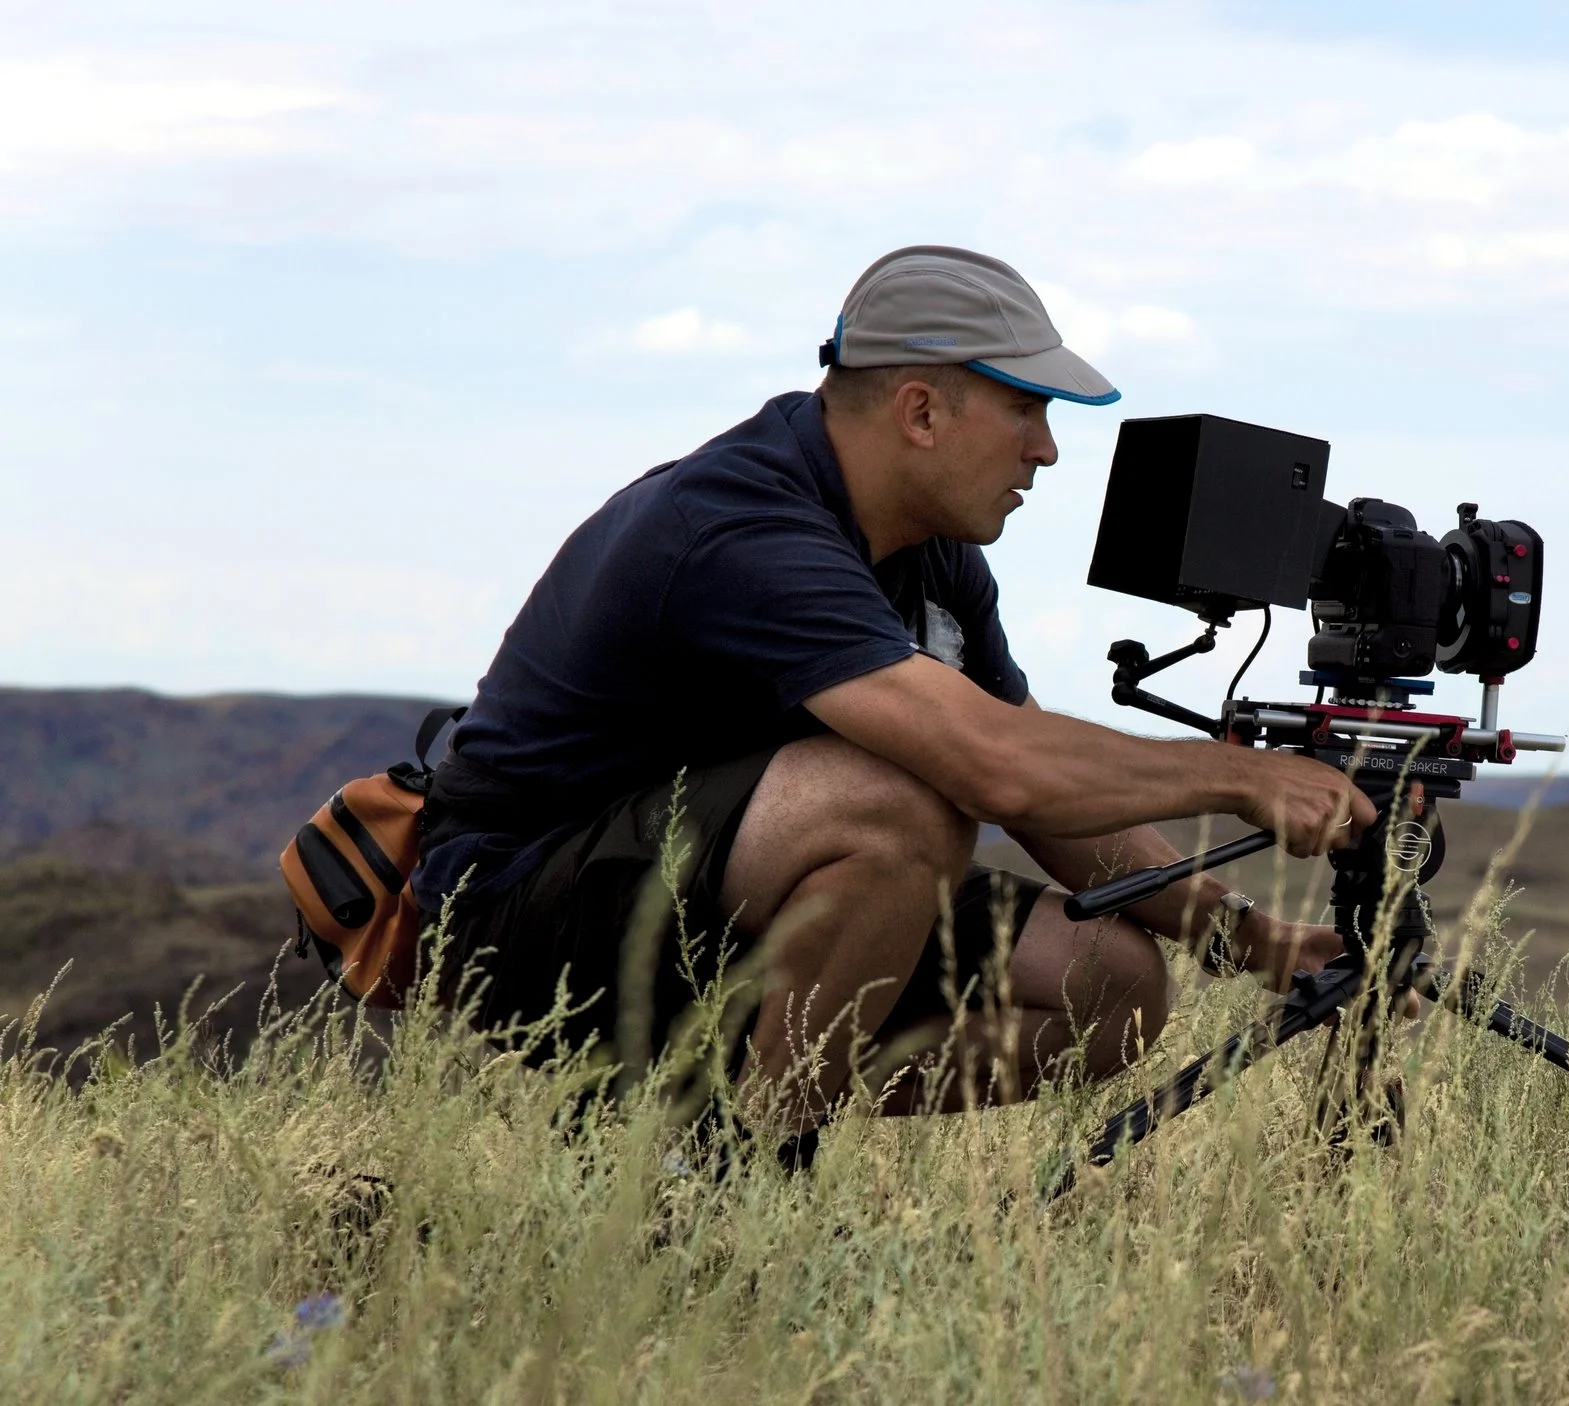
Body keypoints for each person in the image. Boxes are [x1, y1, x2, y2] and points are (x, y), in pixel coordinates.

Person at [411, 245, 1376, 1132]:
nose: (1045, 450)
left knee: (1112, 989)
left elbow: (1040, 781)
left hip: (708, 891)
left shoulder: (931, 553)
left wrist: (1249, 939)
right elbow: (995, 769)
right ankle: (733, 1175)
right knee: (900, 802)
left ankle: (686, 1115)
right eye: (1027, 410)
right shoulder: (742, 528)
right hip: (513, 911)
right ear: (921, 412)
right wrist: (1237, 775)